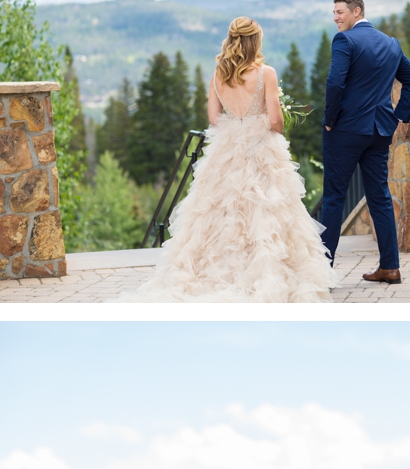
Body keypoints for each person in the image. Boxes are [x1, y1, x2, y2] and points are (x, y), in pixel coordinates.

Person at [127, 18, 333, 301]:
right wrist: (264, 122)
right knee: (264, 210)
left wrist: (237, 121)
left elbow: (213, 118)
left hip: (227, 147)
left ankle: (213, 274)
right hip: (261, 147)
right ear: (255, 41)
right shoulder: (266, 73)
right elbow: (275, 120)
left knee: (222, 211)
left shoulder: (217, 75)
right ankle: (264, 273)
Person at [322, 0, 410, 282]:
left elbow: (335, 82)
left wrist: (330, 120)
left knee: (333, 199)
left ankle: (321, 273)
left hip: (345, 131)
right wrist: (397, 115)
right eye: (334, 13)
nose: (336, 17)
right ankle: (390, 267)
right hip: (379, 131)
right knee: (380, 197)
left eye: (340, 12)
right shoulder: (391, 43)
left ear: (357, 11)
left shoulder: (346, 41)